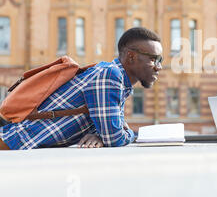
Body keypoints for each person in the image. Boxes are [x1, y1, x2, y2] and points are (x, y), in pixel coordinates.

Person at [0, 27, 163, 150]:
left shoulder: (117, 82)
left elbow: (109, 133)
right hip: (13, 143)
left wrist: (100, 136)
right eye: (154, 59)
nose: (159, 67)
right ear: (131, 57)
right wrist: (129, 135)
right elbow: (115, 138)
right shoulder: (109, 75)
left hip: (19, 146)